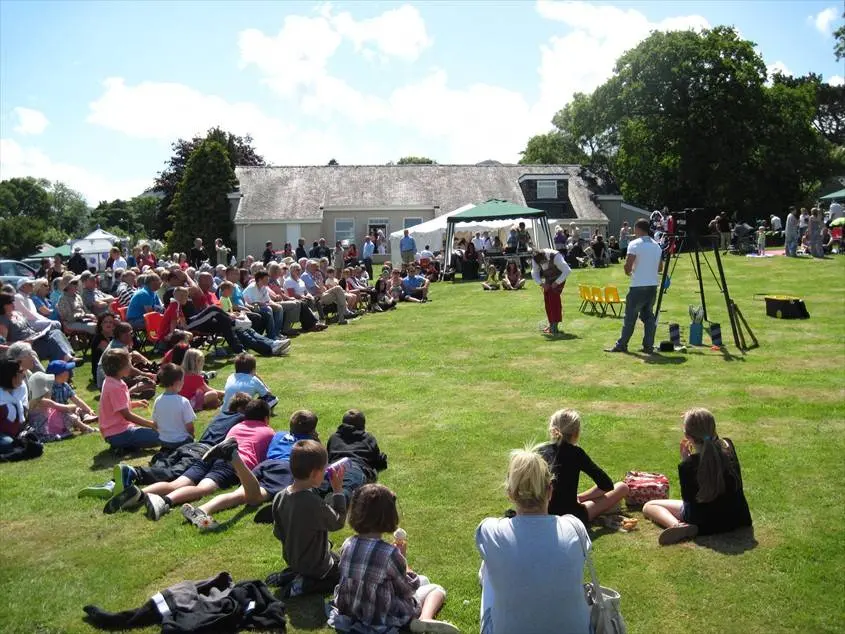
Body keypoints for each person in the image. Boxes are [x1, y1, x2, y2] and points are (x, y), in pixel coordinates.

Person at [476, 449, 591, 634]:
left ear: (510, 493)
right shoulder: (575, 527)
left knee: (488, 567)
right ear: (550, 490)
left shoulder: (490, 530)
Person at [328, 483, 457, 633]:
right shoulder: (390, 554)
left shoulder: (348, 543)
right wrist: (403, 559)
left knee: (424, 580)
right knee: (436, 589)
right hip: (382, 614)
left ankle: (420, 619)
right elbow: (407, 589)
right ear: (389, 516)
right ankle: (423, 620)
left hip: (351, 608)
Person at [141, 398, 275, 522]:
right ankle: (165, 501)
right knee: (203, 489)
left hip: (210, 455)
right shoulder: (268, 432)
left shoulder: (237, 426)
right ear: (265, 418)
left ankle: (139, 495)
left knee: (176, 483)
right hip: (232, 463)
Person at [182, 408, 315, 530]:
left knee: (239, 495)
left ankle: (201, 510)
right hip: (285, 468)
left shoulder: (279, 435)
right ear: (312, 431)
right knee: (255, 498)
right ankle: (233, 457)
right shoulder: (311, 443)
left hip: (265, 465)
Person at [643, 408, 752, 545]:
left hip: (703, 524)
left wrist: (685, 460)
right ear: (714, 429)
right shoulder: (728, 447)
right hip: (738, 518)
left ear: (687, 436)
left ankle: (678, 526)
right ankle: (682, 527)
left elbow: (689, 501)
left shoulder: (688, 465)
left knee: (649, 506)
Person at [269, 439, 348, 597]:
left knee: (335, 556)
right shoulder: (312, 503)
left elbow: (278, 533)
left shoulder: (280, 496)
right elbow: (338, 522)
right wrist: (338, 491)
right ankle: (303, 585)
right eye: (324, 469)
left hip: (293, 559)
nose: (326, 472)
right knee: (344, 575)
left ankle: (290, 575)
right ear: (313, 473)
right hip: (317, 566)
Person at [537, 409, 629, 523]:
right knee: (622, 487)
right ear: (576, 433)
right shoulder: (576, 453)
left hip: (541, 511)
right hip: (570, 516)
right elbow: (607, 485)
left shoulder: (540, 451)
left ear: (552, 429)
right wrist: (580, 497)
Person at [606, 218, 663, 354]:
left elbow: (628, 265)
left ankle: (622, 345)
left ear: (637, 229)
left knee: (630, 317)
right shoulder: (656, 245)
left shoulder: (634, 244)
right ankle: (648, 346)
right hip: (652, 286)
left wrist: (628, 272)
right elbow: (660, 268)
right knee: (648, 316)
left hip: (638, 286)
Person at [98, 347, 159, 451]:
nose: (131, 367)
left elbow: (118, 406)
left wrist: (136, 403)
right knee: (162, 436)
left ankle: (124, 446)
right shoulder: (115, 387)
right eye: (129, 364)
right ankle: (123, 445)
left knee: (154, 435)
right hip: (119, 433)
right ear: (120, 368)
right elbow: (127, 415)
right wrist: (151, 424)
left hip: (115, 433)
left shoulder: (111, 381)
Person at [0, 293, 80, 364]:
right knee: (54, 345)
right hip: (26, 346)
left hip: (36, 338)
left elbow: (29, 328)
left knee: (56, 332)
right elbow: (3, 344)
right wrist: (23, 342)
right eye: (10, 302)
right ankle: (67, 361)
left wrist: (39, 333)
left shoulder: (17, 313)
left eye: (13, 301)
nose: (13, 303)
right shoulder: (3, 321)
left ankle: (67, 360)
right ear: (3, 305)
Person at [151, 363, 195, 451]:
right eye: (183, 380)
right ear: (177, 383)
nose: (183, 382)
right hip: (181, 442)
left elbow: (155, 424)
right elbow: (190, 426)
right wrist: (192, 436)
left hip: (164, 441)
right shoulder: (183, 401)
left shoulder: (158, 400)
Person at [531, 249, 571, 336]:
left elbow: (567, 270)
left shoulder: (556, 256)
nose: (543, 264)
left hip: (560, 277)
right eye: (540, 263)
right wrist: (541, 284)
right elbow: (534, 272)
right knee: (547, 297)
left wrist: (557, 282)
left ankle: (555, 326)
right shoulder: (535, 259)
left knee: (554, 298)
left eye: (543, 262)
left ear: (545, 256)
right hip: (548, 279)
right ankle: (551, 324)